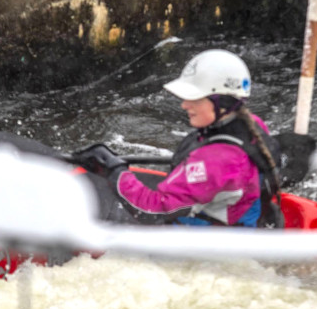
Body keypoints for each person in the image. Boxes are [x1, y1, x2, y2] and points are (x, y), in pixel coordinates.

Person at [72, 49, 284, 227]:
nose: (184, 105)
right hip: (242, 219)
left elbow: (151, 210)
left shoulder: (214, 162)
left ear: (223, 103)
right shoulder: (251, 123)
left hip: (205, 249)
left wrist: (114, 172)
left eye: (194, 98)